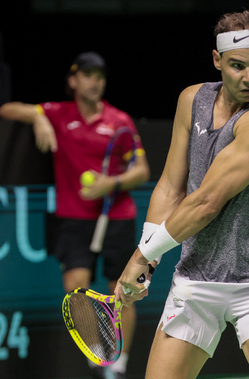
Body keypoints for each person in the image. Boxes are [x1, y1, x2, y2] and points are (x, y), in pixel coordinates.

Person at [115, 10, 249, 379]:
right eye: (236, 66)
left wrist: (141, 256)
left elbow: (205, 203)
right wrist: (149, 259)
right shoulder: (192, 100)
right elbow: (171, 187)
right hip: (196, 277)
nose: (248, 77)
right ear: (217, 59)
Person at [0, 51, 150, 379]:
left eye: (99, 76)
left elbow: (142, 170)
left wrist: (111, 183)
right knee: (76, 288)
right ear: (73, 81)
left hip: (116, 215)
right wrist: (38, 117)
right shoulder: (57, 113)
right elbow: (7, 109)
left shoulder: (119, 120)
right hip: (74, 218)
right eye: (87, 75)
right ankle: (100, 356)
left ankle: (118, 364)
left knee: (122, 291)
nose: (94, 81)